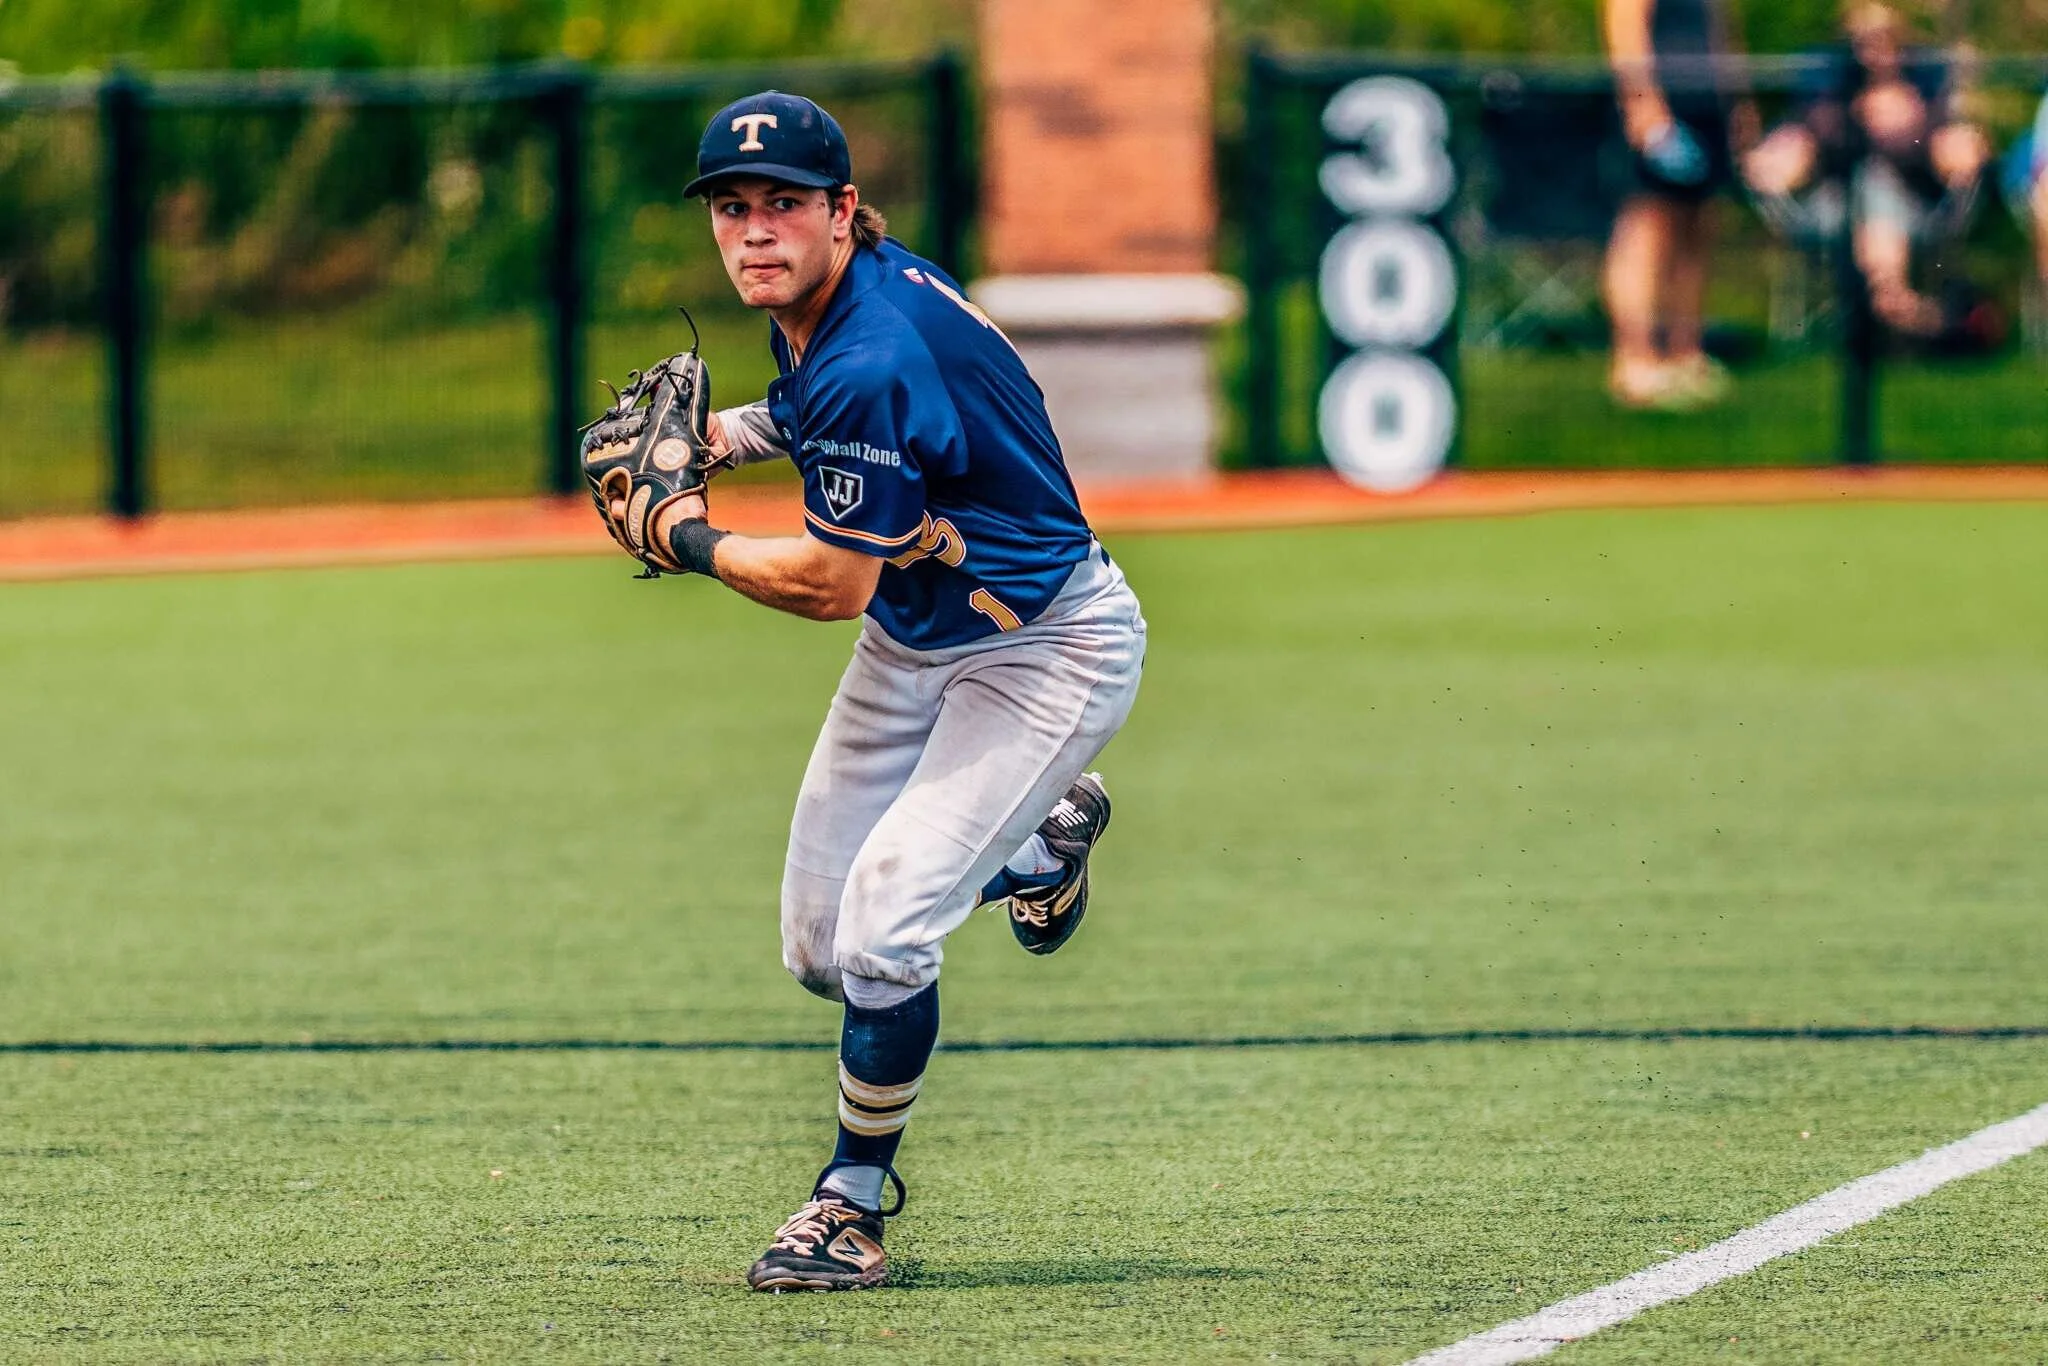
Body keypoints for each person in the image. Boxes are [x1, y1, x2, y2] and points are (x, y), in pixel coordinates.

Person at [627, 91, 1147, 1292]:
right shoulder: (828, 305)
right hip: (921, 642)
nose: (754, 231)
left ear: (843, 211)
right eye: (731, 207)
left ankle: (848, 1201)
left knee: (885, 929)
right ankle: (1036, 847)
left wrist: (686, 535)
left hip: (1042, 652)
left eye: (784, 205)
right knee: (819, 951)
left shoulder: (870, 348)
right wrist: (725, 438)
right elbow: (828, 417)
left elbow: (826, 584)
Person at [1742, 2, 1992, 339]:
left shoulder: (1925, 95)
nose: (1874, 49)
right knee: (1869, 187)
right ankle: (1895, 305)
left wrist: (1913, 130)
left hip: (1915, 209)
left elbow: (1953, 152)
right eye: (1863, 39)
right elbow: (1799, 142)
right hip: (1831, 207)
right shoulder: (1826, 94)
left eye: (1885, 38)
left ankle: (1883, 304)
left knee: (1878, 188)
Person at [1602, 0, 1754, 409]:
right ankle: (1635, 360)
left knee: (1698, 228)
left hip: (1707, 104)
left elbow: (1723, 29)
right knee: (1647, 226)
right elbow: (1625, 18)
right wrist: (1641, 101)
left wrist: (1738, 101)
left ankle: (1685, 354)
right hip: (1662, 102)